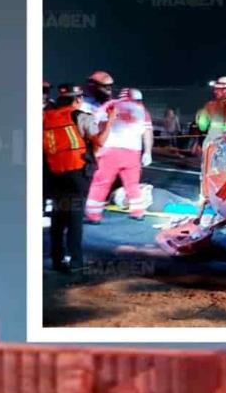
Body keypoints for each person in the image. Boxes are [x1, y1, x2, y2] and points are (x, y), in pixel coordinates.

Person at [43, 84, 100, 272]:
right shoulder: (81, 116)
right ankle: (75, 261)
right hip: (77, 175)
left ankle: (57, 259)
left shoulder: (45, 117)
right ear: (77, 99)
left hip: (54, 174)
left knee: (58, 218)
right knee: (75, 219)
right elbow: (98, 142)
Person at [85, 87, 153, 223]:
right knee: (132, 184)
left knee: (101, 183)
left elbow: (96, 123)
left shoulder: (110, 104)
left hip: (111, 150)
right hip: (133, 152)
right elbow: (147, 133)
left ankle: (93, 215)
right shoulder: (142, 110)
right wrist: (148, 152)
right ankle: (138, 212)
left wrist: (96, 147)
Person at [195, 76, 226, 205]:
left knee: (210, 173)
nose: (214, 92)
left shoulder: (211, 106)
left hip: (216, 145)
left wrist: (200, 116)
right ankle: (225, 200)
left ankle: (207, 199)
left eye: (217, 89)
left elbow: (202, 126)